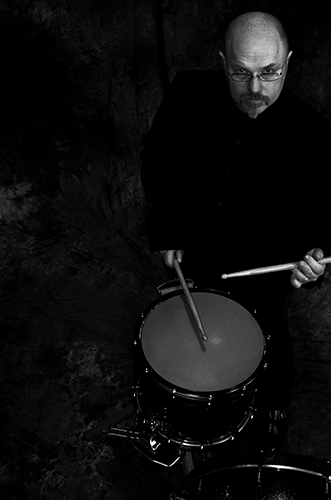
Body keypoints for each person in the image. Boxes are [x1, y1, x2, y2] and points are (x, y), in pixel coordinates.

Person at [140, 11, 330, 451]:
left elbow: (324, 228)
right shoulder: (189, 91)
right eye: (241, 73)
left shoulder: (317, 139)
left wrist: (313, 262)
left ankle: (273, 414)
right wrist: (166, 228)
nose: (256, 89)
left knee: (271, 356)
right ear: (223, 61)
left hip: (264, 276)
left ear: (289, 61)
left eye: (270, 72)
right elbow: (158, 159)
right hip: (197, 258)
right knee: (184, 353)